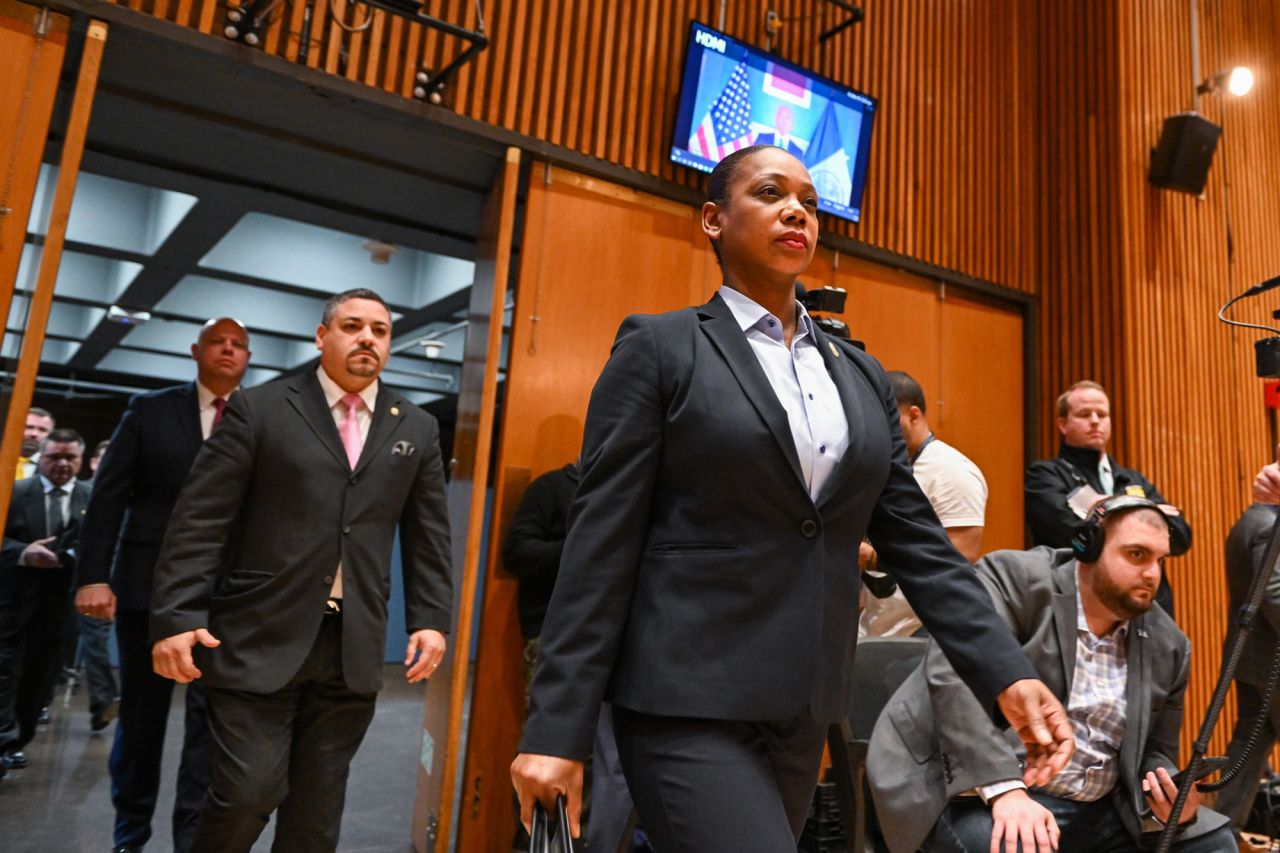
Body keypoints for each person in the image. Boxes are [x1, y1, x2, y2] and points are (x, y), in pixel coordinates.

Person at [510, 145, 1073, 850]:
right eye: (771, 193)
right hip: (684, 700)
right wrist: (555, 728)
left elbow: (921, 547)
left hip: (803, 706)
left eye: (808, 201)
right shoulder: (662, 347)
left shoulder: (861, 375)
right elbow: (600, 544)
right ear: (714, 219)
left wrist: (1006, 673)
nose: (796, 210)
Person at [149, 288, 453, 853]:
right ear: (322, 337)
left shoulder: (415, 425)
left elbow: (428, 533)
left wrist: (431, 618)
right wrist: (175, 616)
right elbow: (199, 520)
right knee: (247, 794)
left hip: (350, 646)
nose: (367, 338)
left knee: (316, 815)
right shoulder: (260, 408)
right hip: (256, 637)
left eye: (380, 331)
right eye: (353, 326)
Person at [868, 496, 1233, 853]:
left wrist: (1169, 796)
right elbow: (955, 675)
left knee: (1214, 843)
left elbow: (1154, 753)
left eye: (1160, 560)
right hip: (973, 789)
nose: (1152, 573)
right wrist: (1005, 789)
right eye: (1136, 555)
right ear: (1087, 547)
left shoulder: (1169, 643)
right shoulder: (1015, 578)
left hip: (1100, 808)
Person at [74, 318, 250, 853]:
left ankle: (190, 838)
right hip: (147, 590)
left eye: (239, 344)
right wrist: (92, 577)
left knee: (208, 728)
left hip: (226, 597)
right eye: (218, 341)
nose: (228, 350)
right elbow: (108, 498)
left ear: (248, 358)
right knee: (142, 722)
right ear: (195, 350)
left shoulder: (258, 415)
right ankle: (130, 832)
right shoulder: (150, 409)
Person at [504, 461, 640, 853]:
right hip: (549, 639)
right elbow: (517, 551)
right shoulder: (550, 487)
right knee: (545, 756)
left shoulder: (628, 487)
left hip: (614, 646)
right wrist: (585, 547)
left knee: (604, 767)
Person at [1025, 380, 1191, 617]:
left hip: (1147, 611)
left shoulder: (1133, 480)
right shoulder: (1045, 476)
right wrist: (1146, 513)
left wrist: (1104, 507)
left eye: (1102, 414)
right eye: (1084, 414)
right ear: (1063, 425)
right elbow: (1072, 535)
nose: (1095, 420)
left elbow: (1180, 535)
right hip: (1078, 608)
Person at [860, 370, 988, 637]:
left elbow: (961, 554)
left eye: (886, 419)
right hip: (879, 627)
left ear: (914, 415)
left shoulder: (952, 470)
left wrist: (873, 558)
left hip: (926, 632)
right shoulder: (887, 468)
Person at [0, 429, 91, 776]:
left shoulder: (91, 497)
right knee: (5, 673)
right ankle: (3, 741)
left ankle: (17, 740)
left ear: (80, 460)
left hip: (59, 611)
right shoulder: (15, 491)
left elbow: (100, 545)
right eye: (54, 457)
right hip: (11, 604)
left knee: (39, 682)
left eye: (70, 458)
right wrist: (23, 552)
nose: (62, 465)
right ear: (41, 456)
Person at [1212, 500, 1280, 842]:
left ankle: (1219, 833)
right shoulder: (1270, 524)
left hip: (1253, 660)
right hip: (1273, 663)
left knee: (1248, 748)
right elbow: (1273, 591)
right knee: (1247, 746)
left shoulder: (1252, 517)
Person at [79, 439, 118, 733]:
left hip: (101, 584)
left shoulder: (122, 500)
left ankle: (103, 703)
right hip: (57, 577)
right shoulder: (80, 492)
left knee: (96, 643)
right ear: (93, 462)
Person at [15, 408, 55, 480]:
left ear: (50, 435)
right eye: (29, 427)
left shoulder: (53, 468)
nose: (34, 434)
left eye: (42, 430)